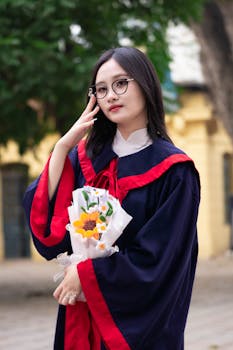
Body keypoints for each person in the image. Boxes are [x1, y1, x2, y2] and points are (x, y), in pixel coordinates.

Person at [23, 46, 200, 350]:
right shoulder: (85, 159)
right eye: (101, 89)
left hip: (139, 327)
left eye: (121, 83)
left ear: (145, 85)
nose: (111, 96)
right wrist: (63, 148)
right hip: (81, 316)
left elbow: (161, 260)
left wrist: (88, 275)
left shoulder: (175, 172)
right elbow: (46, 221)